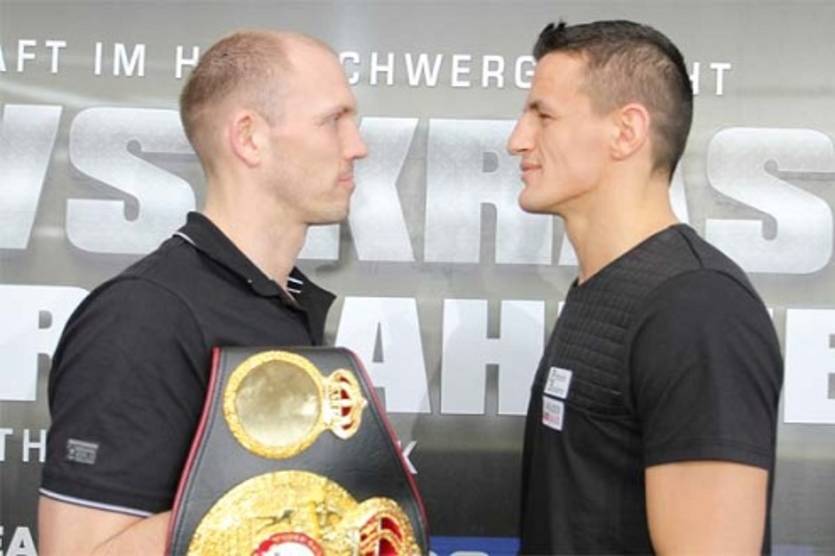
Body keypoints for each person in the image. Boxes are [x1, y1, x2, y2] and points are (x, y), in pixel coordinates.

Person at [38, 30, 367, 554]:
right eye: (333, 121)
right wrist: (282, 504)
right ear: (249, 138)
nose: (357, 146)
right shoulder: (144, 316)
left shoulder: (281, 303)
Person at [507, 20, 782, 554]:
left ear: (626, 131)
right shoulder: (604, 289)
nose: (517, 139)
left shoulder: (698, 311)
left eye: (543, 115)